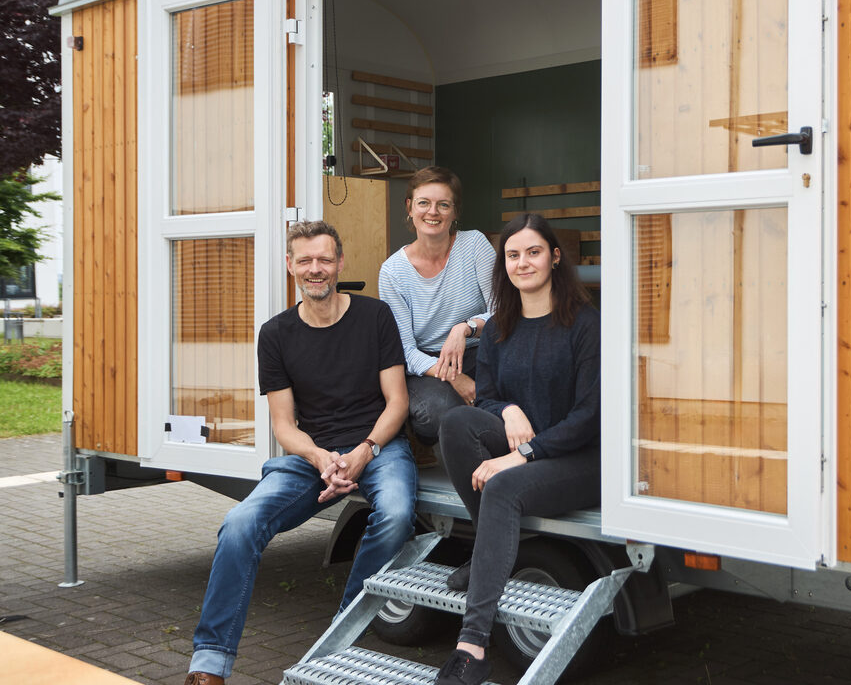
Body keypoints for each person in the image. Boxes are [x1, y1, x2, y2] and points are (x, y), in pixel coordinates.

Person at [184, 221, 416, 685]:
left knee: (396, 512)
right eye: (305, 260)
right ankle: (209, 666)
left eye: (325, 259)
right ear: (290, 265)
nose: (316, 269)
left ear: (340, 263)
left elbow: (398, 402)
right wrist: (319, 458)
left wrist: (364, 451)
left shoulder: (375, 316)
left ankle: (339, 640)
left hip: (377, 446)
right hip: (313, 456)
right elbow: (284, 425)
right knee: (240, 524)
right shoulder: (275, 334)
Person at [434, 213, 600, 685]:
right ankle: (492, 544)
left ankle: (473, 645)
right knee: (456, 422)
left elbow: (589, 416)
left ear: (555, 257)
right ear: (503, 264)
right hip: (524, 445)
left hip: (581, 458)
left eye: (533, 252)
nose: (522, 263)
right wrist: (508, 411)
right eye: (512, 255)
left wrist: (521, 455)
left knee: (503, 488)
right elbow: (484, 397)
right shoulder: (499, 328)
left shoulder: (585, 324)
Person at [378, 166, 497, 457]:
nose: (433, 212)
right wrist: (454, 377)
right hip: (427, 364)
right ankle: (421, 441)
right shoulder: (393, 272)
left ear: (455, 212)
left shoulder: (474, 245)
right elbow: (405, 350)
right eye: (424, 203)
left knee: (512, 392)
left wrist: (465, 328)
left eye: (443, 204)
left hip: (479, 349)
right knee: (441, 412)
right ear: (409, 207)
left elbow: (503, 310)